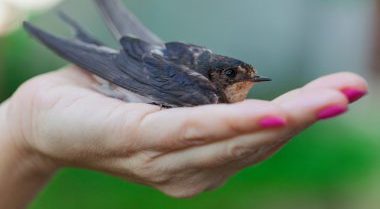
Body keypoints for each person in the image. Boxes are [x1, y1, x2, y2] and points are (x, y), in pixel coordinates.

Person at [0, 66, 368, 208]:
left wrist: (22, 131)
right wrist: (24, 126)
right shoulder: (201, 91)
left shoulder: (208, 89)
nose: (246, 84)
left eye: (250, 78)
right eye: (237, 77)